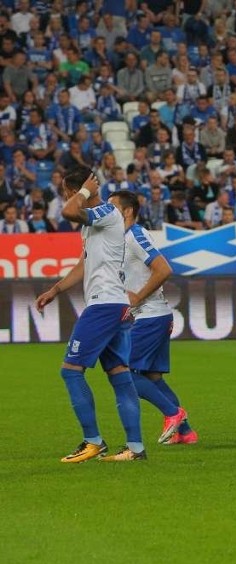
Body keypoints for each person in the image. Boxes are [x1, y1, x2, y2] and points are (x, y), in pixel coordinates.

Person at [35, 171, 146, 462]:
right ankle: (135, 449)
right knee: (119, 374)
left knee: (70, 371)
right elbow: (84, 265)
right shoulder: (95, 223)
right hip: (115, 304)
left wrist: (82, 191)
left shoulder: (107, 211)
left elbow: (69, 210)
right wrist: (55, 289)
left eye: (65, 191)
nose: (64, 197)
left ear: (74, 189)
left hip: (105, 305)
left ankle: (93, 441)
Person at [108, 190, 196, 445]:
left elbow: (163, 268)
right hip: (151, 316)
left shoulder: (135, 235)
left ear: (126, 211)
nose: (108, 212)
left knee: (125, 372)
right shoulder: (121, 239)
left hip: (151, 315)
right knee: (152, 377)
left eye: (113, 207)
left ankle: (173, 413)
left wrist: (138, 296)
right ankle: (186, 432)